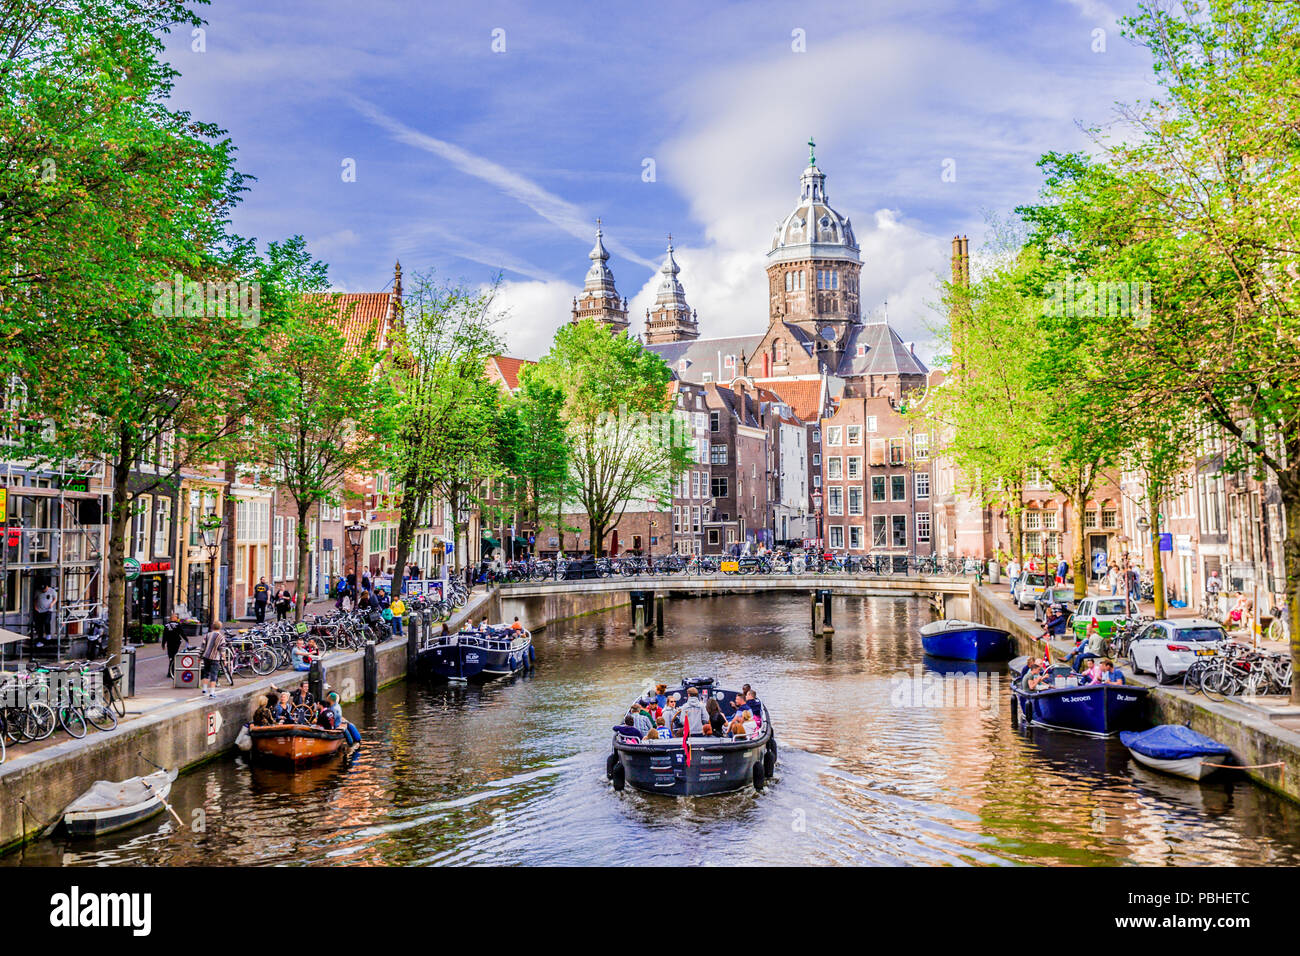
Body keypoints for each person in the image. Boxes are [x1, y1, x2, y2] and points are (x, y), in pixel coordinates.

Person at [200, 626, 226, 698]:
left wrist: (199, 656)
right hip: (215, 658)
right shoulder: (221, 637)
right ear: (220, 627)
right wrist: (224, 660)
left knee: (206, 673)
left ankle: (204, 689)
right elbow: (222, 650)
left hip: (206, 657)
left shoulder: (207, 635)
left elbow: (202, 647)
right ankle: (212, 693)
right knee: (213, 675)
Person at [32, 581, 57, 647]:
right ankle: (40, 640)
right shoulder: (38, 591)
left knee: (46, 621)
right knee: (40, 625)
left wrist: (52, 604)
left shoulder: (52, 591)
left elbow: (55, 599)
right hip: (39, 610)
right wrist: (35, 607)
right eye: (42, 590)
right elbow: (35, 599)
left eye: (44, 589)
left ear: (47, 587)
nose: (43, 591)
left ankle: (48, 634)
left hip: (48, 610)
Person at [163, 613, 185, 677]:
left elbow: (165, 635)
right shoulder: (178, 625)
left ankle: (170, 671)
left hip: (169, 643)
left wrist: (163, 644)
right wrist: (186, 640)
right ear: (173, 618)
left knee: (171, 657)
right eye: (176, 617)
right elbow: (182, 633)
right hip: (176, 643)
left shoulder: (166, 625)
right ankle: (171, 671)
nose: (177, 618)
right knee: (174, 657)